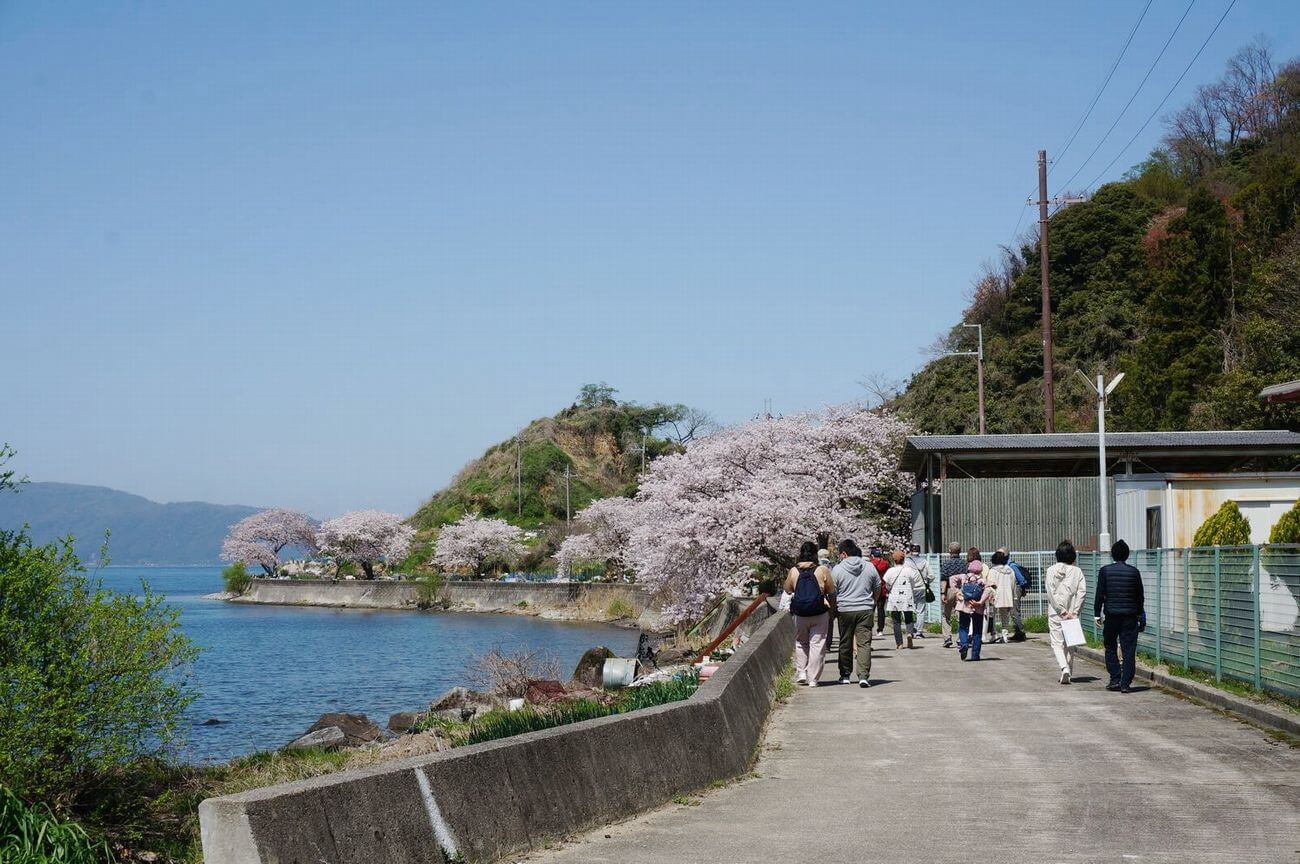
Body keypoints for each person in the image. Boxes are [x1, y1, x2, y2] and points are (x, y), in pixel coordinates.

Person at [1094, 540, 1146, 693]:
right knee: (1128, 649)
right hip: (1130, 617)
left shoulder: (1105, 571)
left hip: (1111, 616)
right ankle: (1126, 683)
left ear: (1113, 554)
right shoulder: (1134, 572)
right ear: (1127, 555)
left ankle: (1115, 678)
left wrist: (1097, 614)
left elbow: (1100, 595)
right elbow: (1140, 597)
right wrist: (1139, 614)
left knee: (1110, 646)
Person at [785, 541, 836, 687]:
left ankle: (802, 672)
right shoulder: (822, 570)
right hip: (819, 612)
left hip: (800, 613)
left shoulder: (794, 570)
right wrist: (832, 609)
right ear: (815, 554)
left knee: (801, 642)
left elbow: (788, 589)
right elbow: (831, 591)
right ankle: (813, 678)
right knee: (817, 644)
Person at [831, 538, 879, 688]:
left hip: (845, 609)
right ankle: (863, 676)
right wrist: (873, 602)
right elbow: (877, 587)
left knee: (845, 642)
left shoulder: (837, 569)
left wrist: (834, 608)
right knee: (864, 644)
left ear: (844, 553)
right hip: (865, 608)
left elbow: (833, 592)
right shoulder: (869, 567)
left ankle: (845, 675)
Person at [1045, 540, 1087, 684]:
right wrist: (1074, 612)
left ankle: (1064, 668)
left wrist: (1061, 611)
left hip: (1056, 613)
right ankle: (1068, 669)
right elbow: (1082, 592)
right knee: (1070, 643)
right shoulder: (1077, 571)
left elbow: (1051, 592)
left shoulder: (1051, 570)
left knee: (1057, 643)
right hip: (1072, 613)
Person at [952, 560, 992, 660]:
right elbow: (988, 590)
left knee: (963, 627)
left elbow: (951, 579)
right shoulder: (982, 580)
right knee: (977, 631)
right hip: (977, 607)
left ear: (969, 568)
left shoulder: (964, 577)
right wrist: (980, 602)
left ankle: (964, 644)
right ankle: (975, 655)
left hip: (964, 605)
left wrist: (957, 593)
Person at [882, 550, 922, 650]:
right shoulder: (909, 570)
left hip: (894, 598)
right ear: (903, 560)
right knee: (909, 617)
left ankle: (899, 643)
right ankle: (909, 634)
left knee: (896, 621)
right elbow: (914, 582)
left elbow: (887, 584)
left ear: (894, 560)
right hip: (907, 596)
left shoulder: (890, 571)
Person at [939, 542, 966, 648]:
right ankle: (960, 638)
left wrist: (943, 593)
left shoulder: (946, 564)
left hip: (950, 590)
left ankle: (947, 638)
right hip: (961, 590)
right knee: (961, 615)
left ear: (949, 551)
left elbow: (944, 579)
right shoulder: (964, 564)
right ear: (960, 551)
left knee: (946, 615)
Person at [987, 550, 1017, 644]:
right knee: (1005, 616)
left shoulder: (992, 570)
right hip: (1007, 595)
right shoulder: (1010, 570)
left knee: (993, 616)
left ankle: (994, 634)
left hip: (996, 595)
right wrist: (1013, 596)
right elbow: (1013, 584)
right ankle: (1005, 635)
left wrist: (990, 595)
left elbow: (991, 584)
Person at [999, 546, 1028, 641]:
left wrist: (1021, 590)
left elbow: (1021, 580)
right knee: (1012, 611)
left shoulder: (1012, 566)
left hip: (1015, 589)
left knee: (1014, 611)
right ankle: (1018, 632)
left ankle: (1021, 632)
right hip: (1011, 589)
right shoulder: (1004, 566)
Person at [905, 544, 932, 638]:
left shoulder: (906, 562)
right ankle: (919, 632)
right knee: (920, 611)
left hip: (909, 588)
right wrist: (927, 581)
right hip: (921, 588)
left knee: (908, 609)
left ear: (911, 551)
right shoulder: (924, 562)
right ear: (919, 551)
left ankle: (910, 631)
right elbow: (931, 576)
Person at [869, 547, 890, 634]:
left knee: (871, 610)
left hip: (872, 589)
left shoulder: (870, 564)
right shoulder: (885, 564)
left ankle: (869, 627)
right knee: (881, 609)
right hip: (882, 588)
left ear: (872, 555)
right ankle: (880, 629)